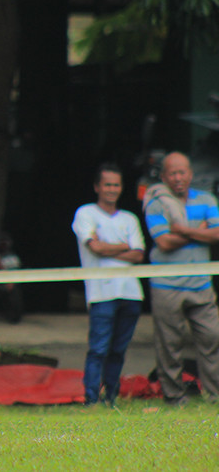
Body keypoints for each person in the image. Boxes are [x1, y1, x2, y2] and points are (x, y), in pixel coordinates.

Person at [142, 151, 219, 406]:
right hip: (167, 285)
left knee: (212, 337)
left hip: (201, 284)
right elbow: (163, 242)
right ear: (163, 176)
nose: (178, 177)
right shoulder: (156, 202)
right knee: (169, 344)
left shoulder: (206, 198)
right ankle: (174, 396)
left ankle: (214, 395)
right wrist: (200, 232)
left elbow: (217, 234)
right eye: (172, 173)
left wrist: (183, 230)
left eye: (182, 172)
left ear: (191, 174)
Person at [71, 163, 146, 407]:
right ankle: (91, 398)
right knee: (98, 350)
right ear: (97, 187)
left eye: (116, 184)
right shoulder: (86, 213)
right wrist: (124, 246)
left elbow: (139, 255)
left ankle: (110, 398)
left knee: (118, 351)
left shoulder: (129, 218)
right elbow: (94, 247)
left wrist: (108, 249)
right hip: (101, 292)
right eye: (107, 184)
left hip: (131, 293)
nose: (112, 189)